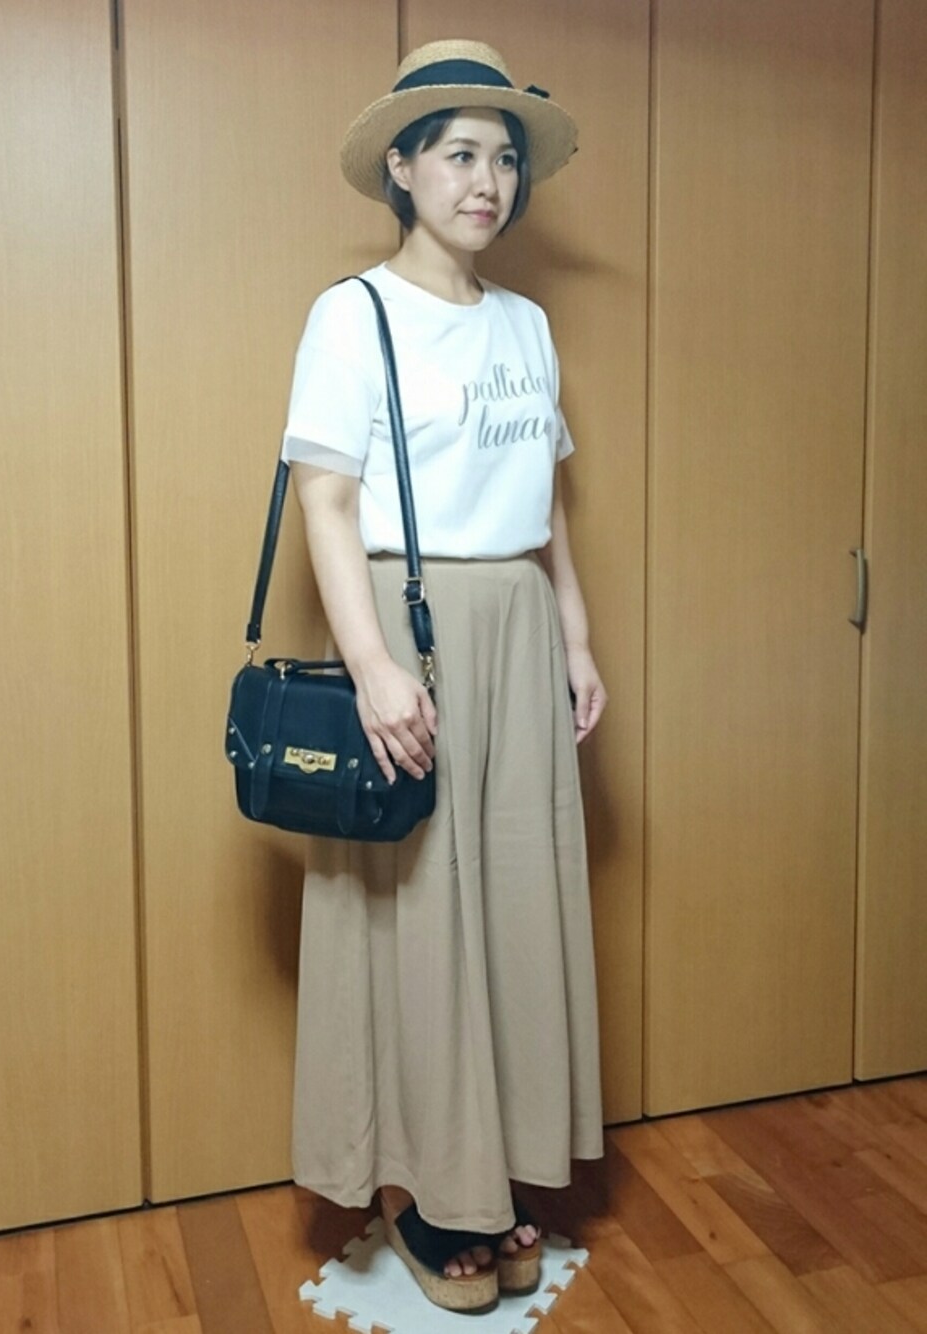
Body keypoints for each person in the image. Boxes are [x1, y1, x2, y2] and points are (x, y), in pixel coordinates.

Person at [281, 39, 607, 1316]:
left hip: (517, 626)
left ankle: (499, 1166)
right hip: (409, 628)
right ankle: (429, 1189)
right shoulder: (353, 314)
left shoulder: (527, 323)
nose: (486, 180)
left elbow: (547, 501)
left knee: (512, 904)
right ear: (403, 169)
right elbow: (325, 497)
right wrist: (371, 666)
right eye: (460, 153)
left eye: (504, 158)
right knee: (417, 914)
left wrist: (574, 636)